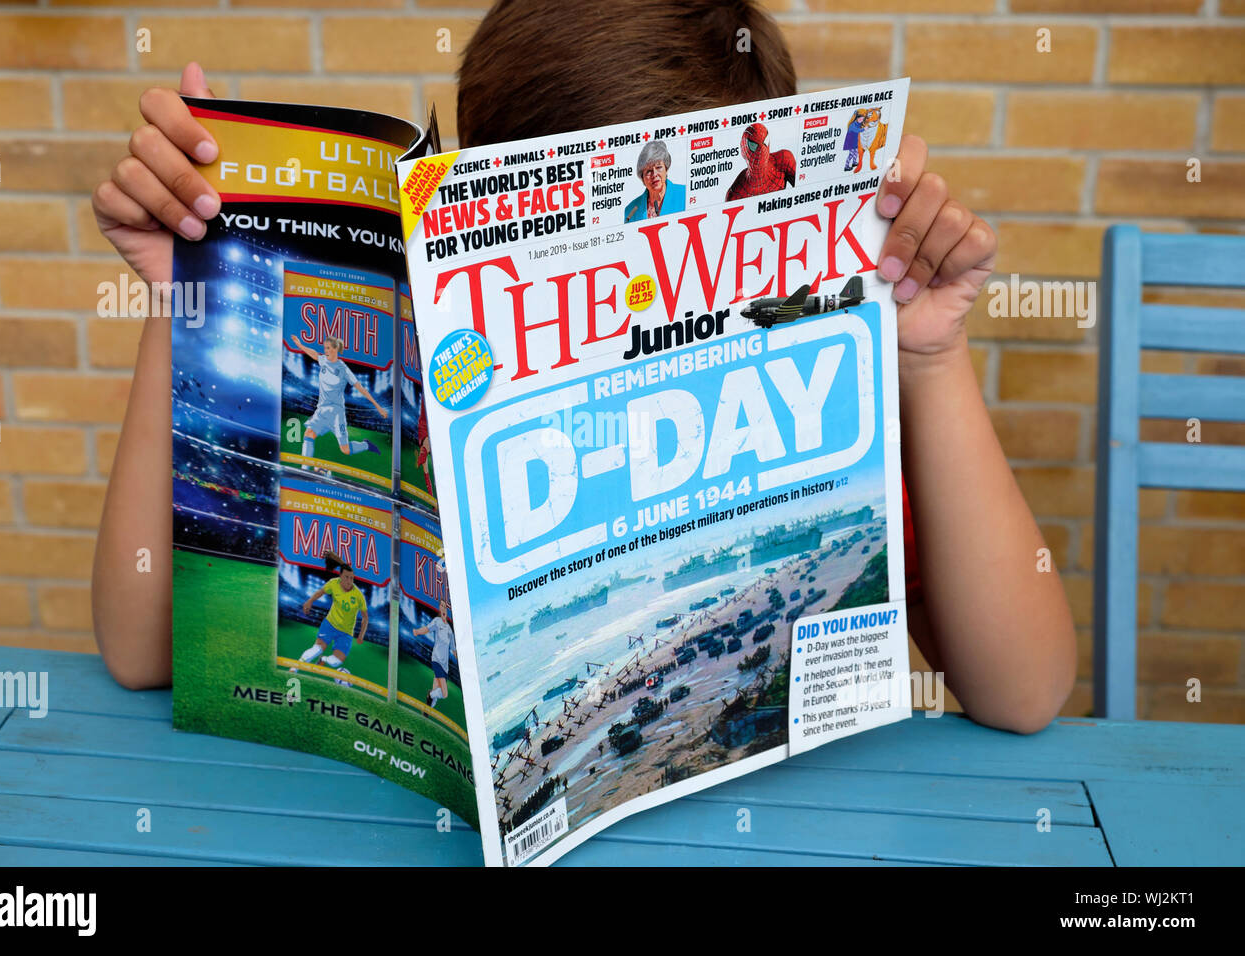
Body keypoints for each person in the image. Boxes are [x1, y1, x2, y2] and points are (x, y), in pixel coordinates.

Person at [90, 0, 1075, 737]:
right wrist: (185, 293)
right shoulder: (426, 358)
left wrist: (934, 360)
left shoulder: (811, 378)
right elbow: (141, 651)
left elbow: (1025, 689)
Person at [289, 333, 388, 469]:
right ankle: (305, 470)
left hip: (336, 413)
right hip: (322, 410)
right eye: (325, 348)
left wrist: (378, 407)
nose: (326, 351)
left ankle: (366, 445)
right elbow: (313, 354)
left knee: (345, 450)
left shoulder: (343, 369)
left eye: (328, 348)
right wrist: (299, 345)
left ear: (335, 349)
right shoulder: (323, 361)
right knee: (309, 433)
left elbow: (361, 388)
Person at [296, 554, 367, 685]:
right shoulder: (333, 584)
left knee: (336, 662)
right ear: (340, 576)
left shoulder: (358, 595)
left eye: (352, 578)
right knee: (317, 649)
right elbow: (320, 592)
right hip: (330, 624)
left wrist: (361, 635)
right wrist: (309, 601)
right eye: (346, 577)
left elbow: (365, 618)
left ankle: (323, 659)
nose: (349, 581)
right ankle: (294, 668)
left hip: (346, 632)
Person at [623, 140, 685, 222]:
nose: (654, 174)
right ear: (642, 177)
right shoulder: (631, 210)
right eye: (648, 171)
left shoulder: (685, 194)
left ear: (666, 169)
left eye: (659, 167)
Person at [413, 600, 456, 709]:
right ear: (439, 608)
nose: (443, 608)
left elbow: (453, 649)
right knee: (444, 694)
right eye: (441, 606)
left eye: (445, 606)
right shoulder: (437, 621)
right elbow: (427, 629)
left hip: (445, 665)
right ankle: (430, 695)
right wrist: (417, 631)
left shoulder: (450, 630)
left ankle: (427, 711)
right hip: (437, 659)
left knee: (435, 692)